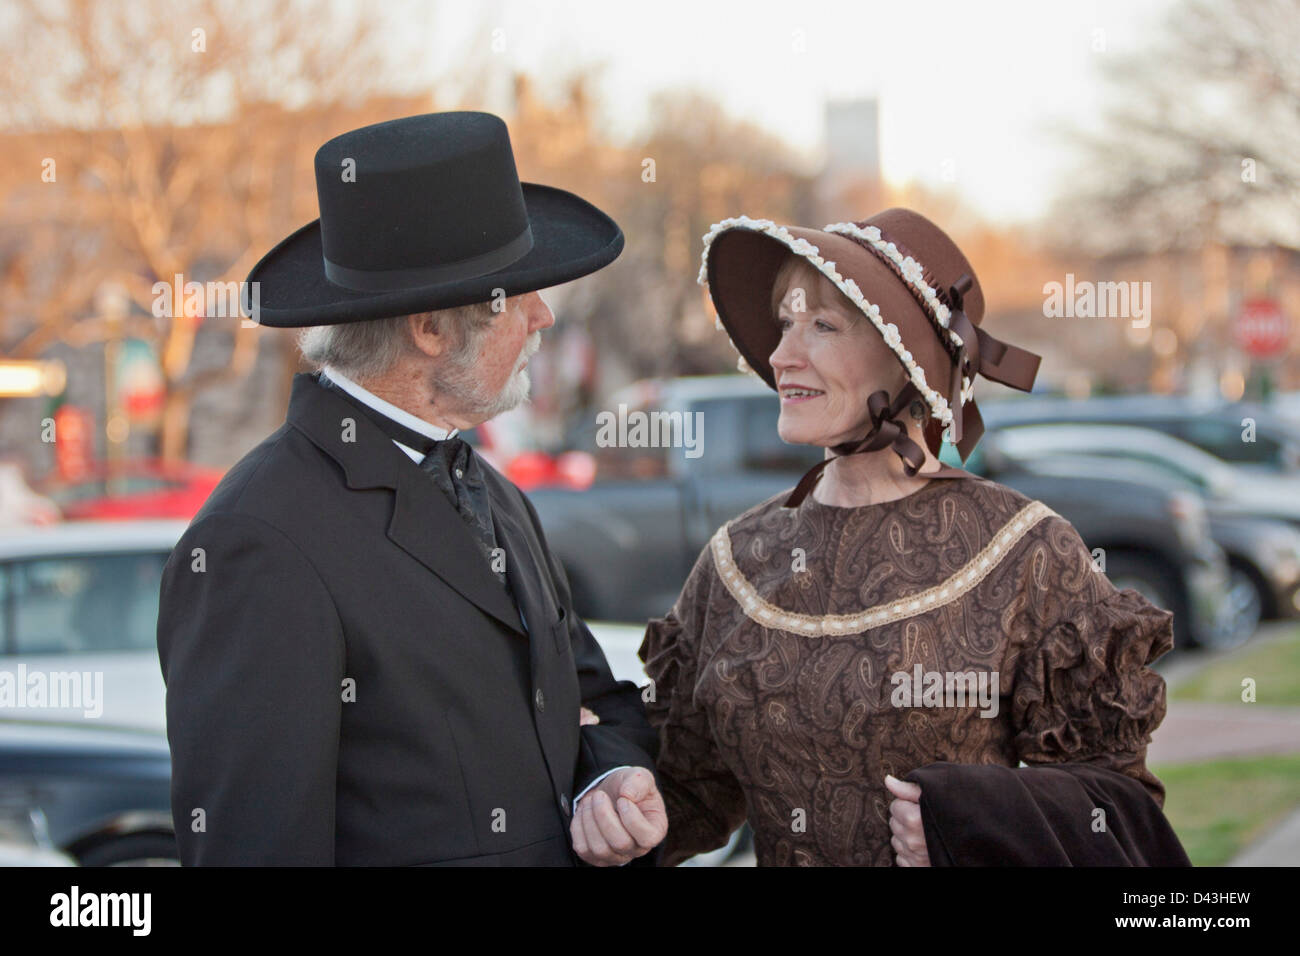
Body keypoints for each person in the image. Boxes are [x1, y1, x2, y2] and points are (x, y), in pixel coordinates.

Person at [157, 111, 666, 866]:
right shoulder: (256, 543)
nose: (543, 315)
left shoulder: (494, 493)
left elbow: (592, 699)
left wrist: (607, 777)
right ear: (430, 329)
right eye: (519, 295)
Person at [639, 208, 1186, 866]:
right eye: (785, 324)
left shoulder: (1027, 550)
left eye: (822, 326)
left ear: (906, 360)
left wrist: (972, 830)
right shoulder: (736, 559)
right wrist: (604, 795)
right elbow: (685, 795)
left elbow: (1117, 814)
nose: (782, 356)